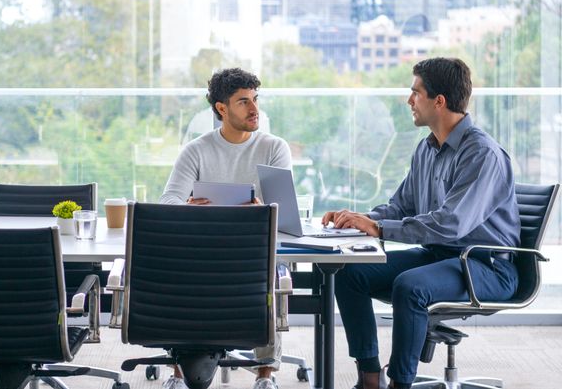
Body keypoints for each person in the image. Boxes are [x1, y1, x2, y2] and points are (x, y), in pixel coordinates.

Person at [322, 57, 520, 389]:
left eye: (415, 93)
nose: (409, 100)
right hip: (441, 256)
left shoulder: (482, 153)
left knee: (410, 286)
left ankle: (401, 383)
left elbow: (451, 223)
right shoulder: (427, 149)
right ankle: (370, 378)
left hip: (486, 266)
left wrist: (381, 229)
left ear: (438, 101)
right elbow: (402, 206)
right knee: (349, 272)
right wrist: (358, 219)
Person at [160, 67, 291, 389]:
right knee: (177, 272)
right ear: (222, 109)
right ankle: (179, 373)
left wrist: (263, 208)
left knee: (268, 273)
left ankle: (265, 375)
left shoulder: (273, 147)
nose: (255, 109)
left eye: (255, 99)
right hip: (204, 247)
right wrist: (187, 207)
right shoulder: (197, 149)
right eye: (244, 102)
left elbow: (284, 212)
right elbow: (168, 201)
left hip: (254, 248)